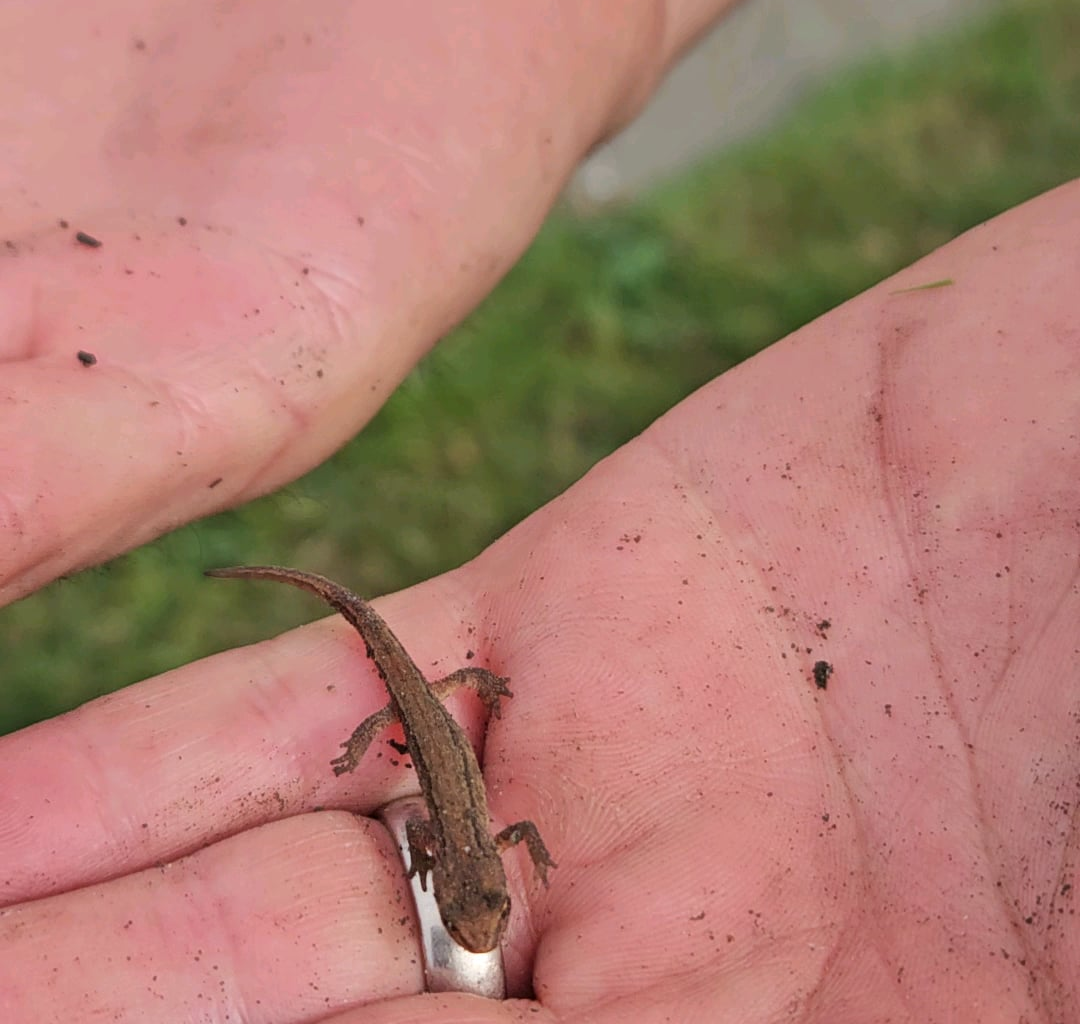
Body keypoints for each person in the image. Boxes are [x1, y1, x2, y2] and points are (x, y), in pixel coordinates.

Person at [1, 2, 1076, 1020]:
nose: (489, 902)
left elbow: (462, 825)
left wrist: (426, 737)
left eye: (485, 905)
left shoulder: (450, 843)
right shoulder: (469, 830)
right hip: (427, 712)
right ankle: (375, 650)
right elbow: (484, 811)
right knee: (394, 682)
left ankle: (388, 659)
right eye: (492, 903)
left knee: (400, 687)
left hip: (436, 718)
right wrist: (391, 737)